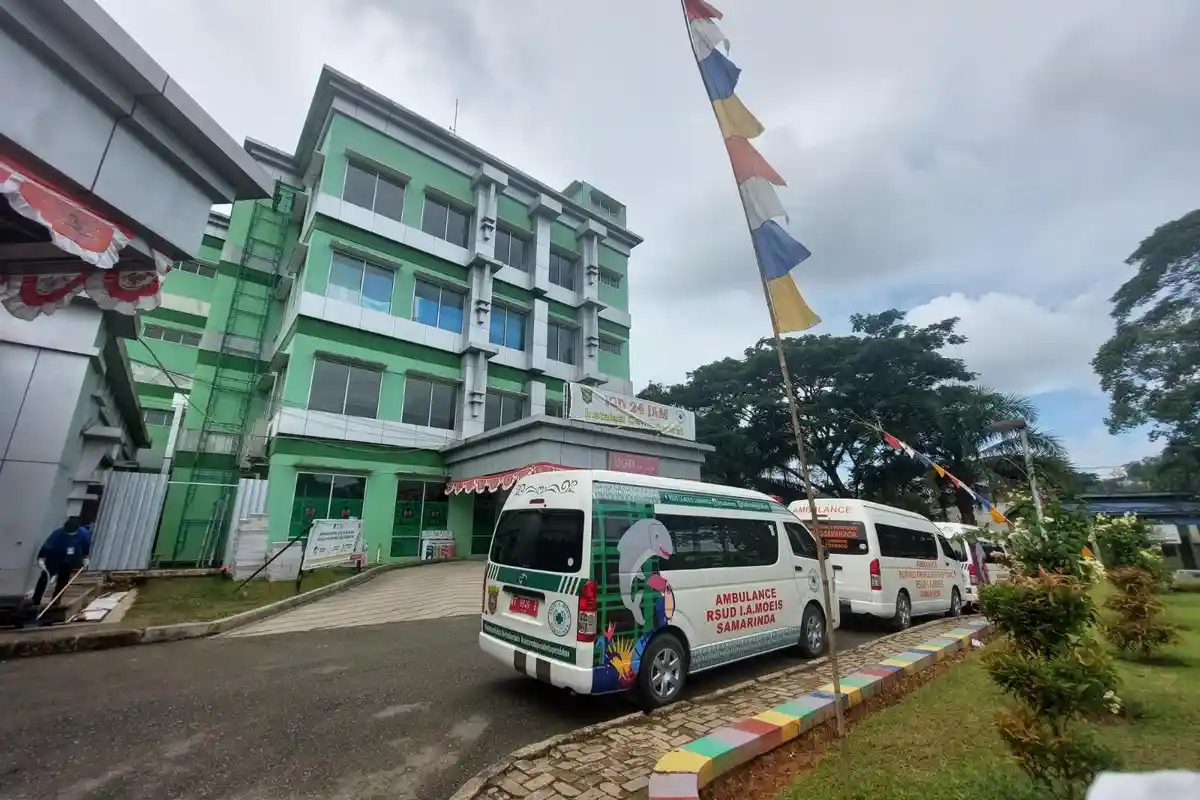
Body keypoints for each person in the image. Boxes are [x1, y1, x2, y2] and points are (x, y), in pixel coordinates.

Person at [32, 518, 91, 609]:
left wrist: (85, 557)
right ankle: (36, 601)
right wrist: (41, 558)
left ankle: (56, 600)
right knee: (45, 578)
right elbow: (47, 546)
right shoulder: (57, 534)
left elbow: (86, 545)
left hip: (69, 558)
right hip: (54, 556)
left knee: (63, 579)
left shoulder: (83, 534)